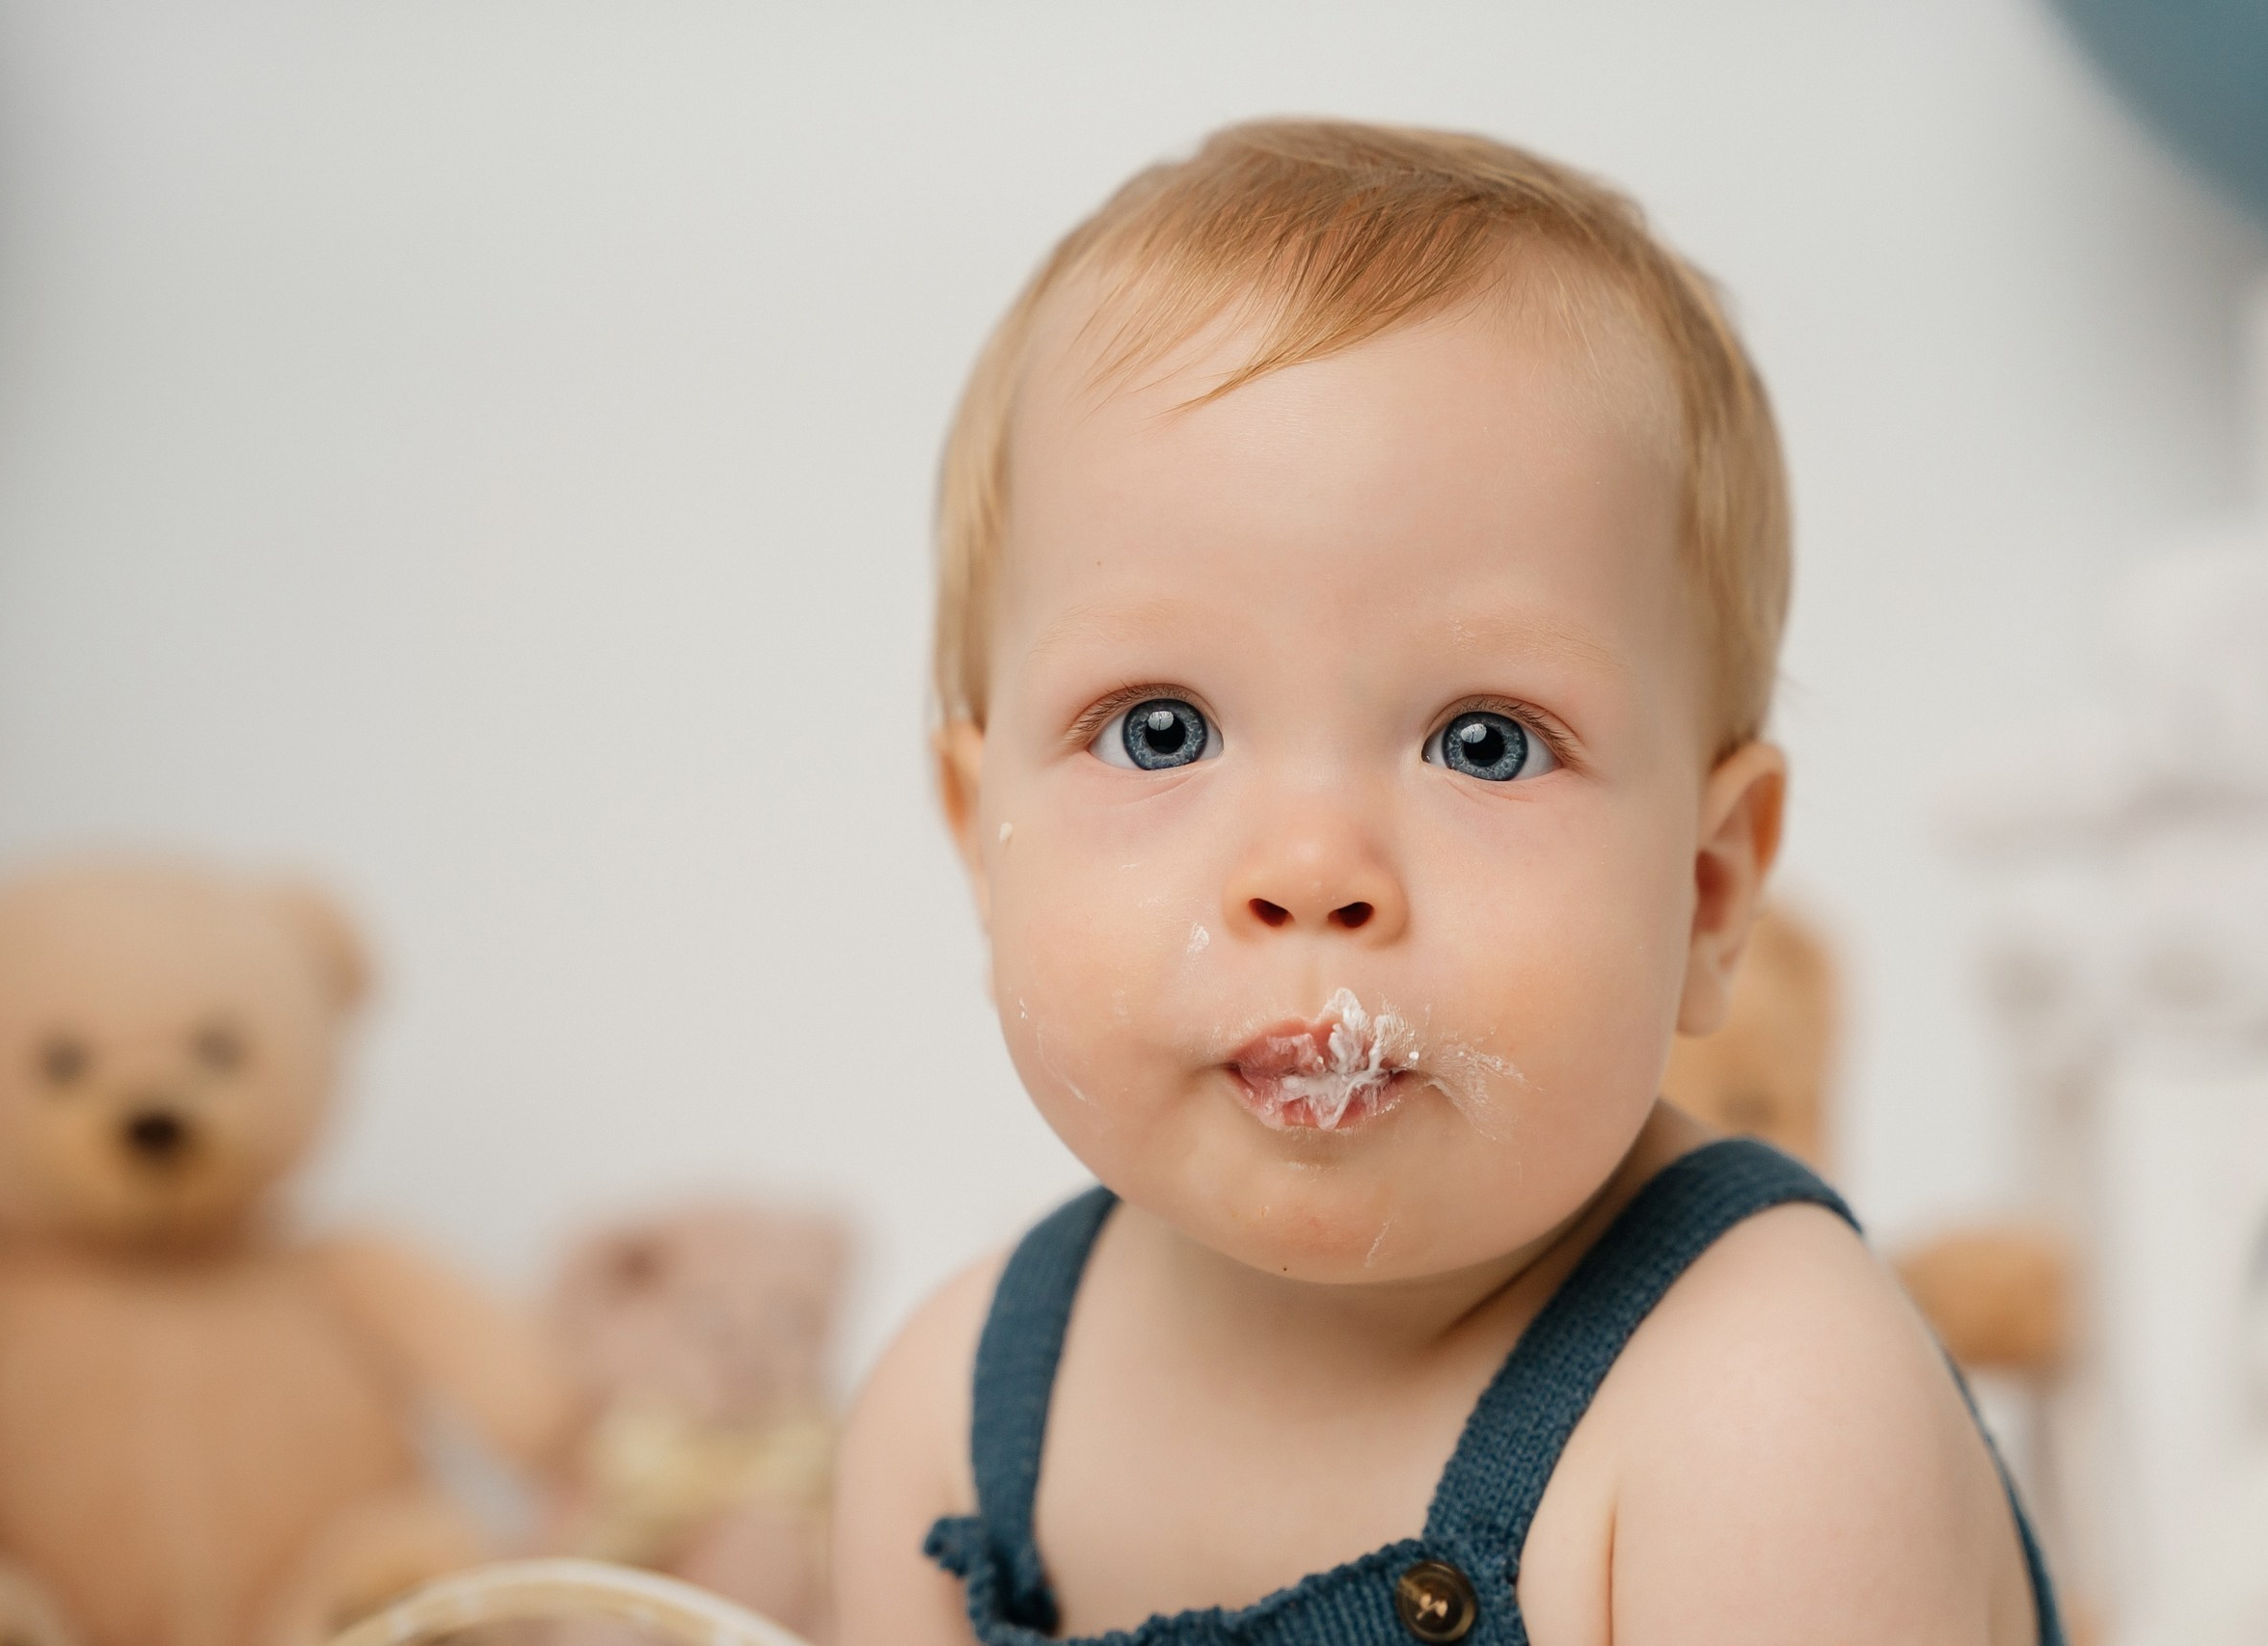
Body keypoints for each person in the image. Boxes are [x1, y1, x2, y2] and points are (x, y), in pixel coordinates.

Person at [833, 119, 2061, 1646]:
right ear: (980, 838)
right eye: (1163, 731)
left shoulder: (1764, 1405)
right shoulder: (948, 1433)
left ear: (1709, 886)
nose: (1310, 876)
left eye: (1484, 743)